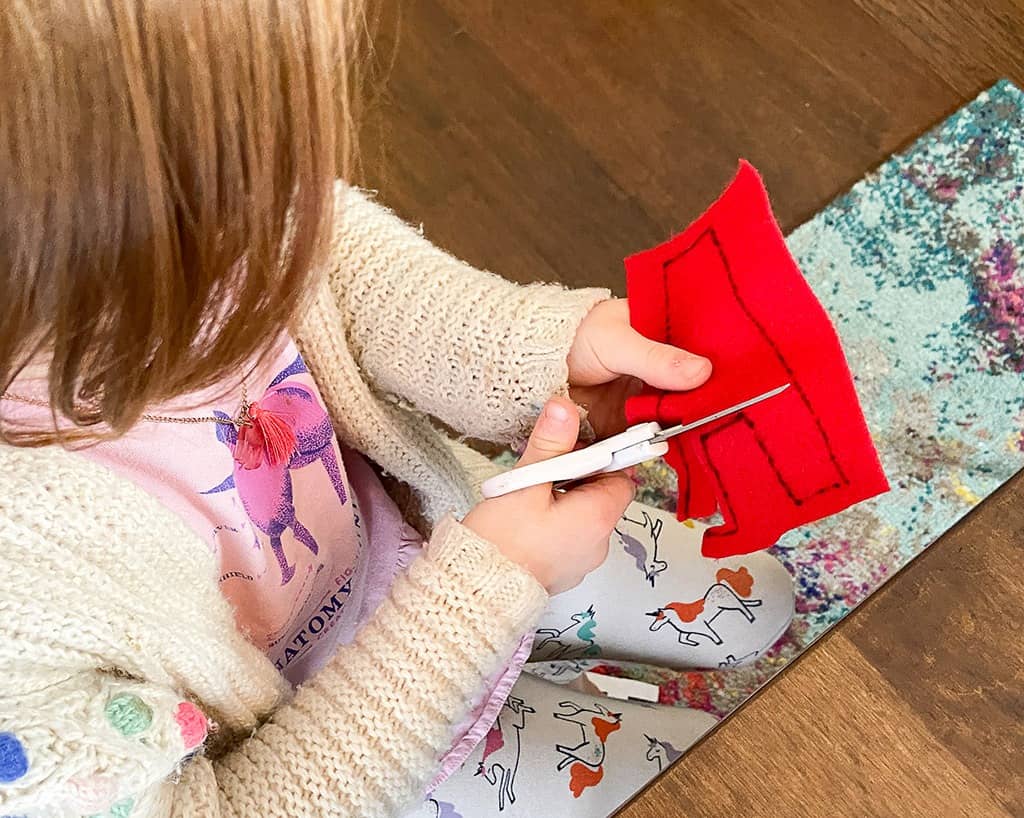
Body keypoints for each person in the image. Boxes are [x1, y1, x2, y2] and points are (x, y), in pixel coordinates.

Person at [0, 3, 792, 816]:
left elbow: (324, 249)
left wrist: (534, 347)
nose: (284, 198)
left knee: (759, 600)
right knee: (719, 776)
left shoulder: (201, 202)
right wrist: (488, 594)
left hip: (428, 539)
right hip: (352, 751)